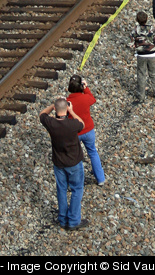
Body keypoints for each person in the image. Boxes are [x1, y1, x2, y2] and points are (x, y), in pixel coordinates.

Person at [39, 97, 87, 231]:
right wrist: (71, 111)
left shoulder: (51, 123)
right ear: (66, 108)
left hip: (59, 162)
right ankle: (73, 221)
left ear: (55, 109)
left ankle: (62, 219)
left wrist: (52, 105)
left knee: (61, 189)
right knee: (77, 189)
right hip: (74, 162)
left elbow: (42, 114)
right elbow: (82, 124)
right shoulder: (72, 124)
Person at [66, 75, 105, 186]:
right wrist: (86, 88)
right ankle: (100, 179)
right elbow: (93, 99)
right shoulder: (85, 98)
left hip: (75, 133)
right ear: (81, 86)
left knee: (75, 157)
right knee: (92, 152)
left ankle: (75, 182)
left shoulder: (67, 102)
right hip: (88, 130)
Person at [130, 10, 155, 103]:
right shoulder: (152, 29)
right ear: (147, 19)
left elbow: (131, 44)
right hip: (152, 54)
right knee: (154, 74)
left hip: (141, 55)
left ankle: (141, 96)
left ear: (137, 20)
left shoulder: (135, 30)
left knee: (141, 75)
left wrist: (135, 46)